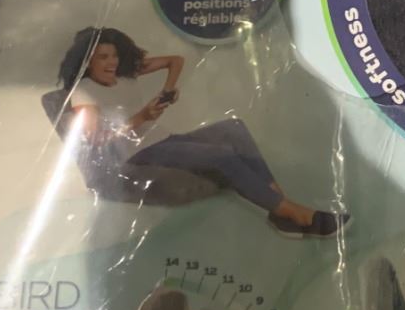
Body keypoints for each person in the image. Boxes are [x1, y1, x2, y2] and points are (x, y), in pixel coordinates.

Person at [41, 26, 344, 238]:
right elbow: (98, 140)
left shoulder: (125, 75)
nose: (111, 63)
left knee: (234, 128)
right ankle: (293, 213)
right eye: (102, 57)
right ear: (87, 62)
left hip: (162, 139)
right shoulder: (83, 93)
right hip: (138, 154)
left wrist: (168, 90)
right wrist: (142, 116)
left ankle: (280, 209)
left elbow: (175, 61)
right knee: (222, 157)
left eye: (113, 56)